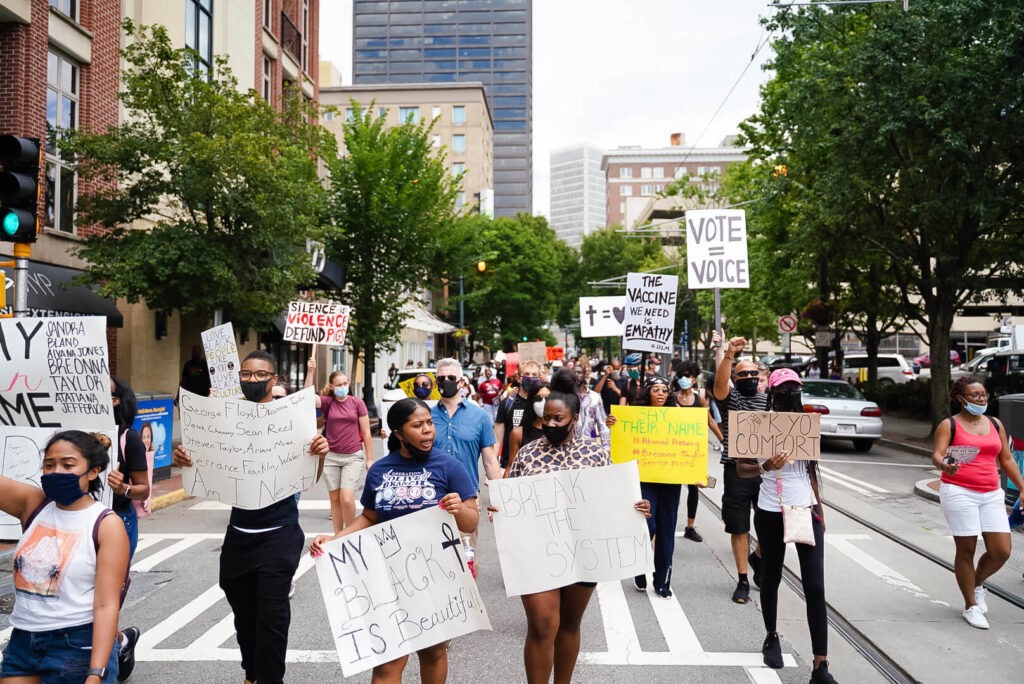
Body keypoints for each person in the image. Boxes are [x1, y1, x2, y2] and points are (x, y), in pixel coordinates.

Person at [173, 350, 329, 684]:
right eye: (246, 374)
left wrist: (319, 454)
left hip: (280, 534)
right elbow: (202, 460)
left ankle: (271, 679)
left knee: (272, 616)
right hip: (239, 535)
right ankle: (252, 674)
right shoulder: (225, 419)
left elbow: (309, 476)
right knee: (245, 615)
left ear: (274, 380)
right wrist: (186, 458)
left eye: (260, 375)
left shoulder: (292, 420)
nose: (253, 380)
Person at [309, 397, 478, 684]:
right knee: (387, 663)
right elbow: (370, 518)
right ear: (398, 433)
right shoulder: (379, 470)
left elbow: (471, 522)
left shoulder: (449, 466)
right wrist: (335, 540)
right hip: (385, 576)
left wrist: (459, 508)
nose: (427, 430)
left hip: (434, 574)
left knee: (433, 651)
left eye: (429, 423)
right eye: (417, 425)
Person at [496, 372, 650, 684]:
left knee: (569, 623)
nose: (551, 424)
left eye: (559, 418)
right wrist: (500, 507)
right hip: (538, 551)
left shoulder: (596, 453)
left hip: (584, 551)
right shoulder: (527, 453)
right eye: (547, 418)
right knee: (541, 624)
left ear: (574, 418)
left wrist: (636, 508)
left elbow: (612, 500)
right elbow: (512, 499)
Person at [0, 430, 129, 684]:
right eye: (49, 465)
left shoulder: (105, 524)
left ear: (93, 471)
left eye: (68, 465)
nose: (56, 471)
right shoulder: (33, 505)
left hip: (76, 645)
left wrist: (96, 672)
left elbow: (106, 605)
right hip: (23, 642)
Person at [738, 368, 836, 683]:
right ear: (774, 394)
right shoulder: (757, 424)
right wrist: (765, 465)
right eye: (784, 390)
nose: (790, 395)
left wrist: (820, 510)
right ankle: (771, 635)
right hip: (770, 509)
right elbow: (742, 470)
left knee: (816, 587)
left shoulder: (807, 425)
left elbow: (811, 473)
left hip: (804, 509)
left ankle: (821, 664)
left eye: (794, 390)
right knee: (771, 578)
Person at [932, 376, 1024, 630]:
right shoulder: (949, 425)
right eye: (975, 395)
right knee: (966, 549)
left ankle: (977, 582)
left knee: (1001, 550)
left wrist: (1023, 487)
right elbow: (938, 454)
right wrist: (944, 464)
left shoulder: (995, 423)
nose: (982, 399)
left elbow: (1006, 458)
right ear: (961, 399)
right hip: (959, 491)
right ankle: (971, 606)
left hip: (991, 492)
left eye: (984, 394)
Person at [713, 334, 769, 605]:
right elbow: (719, 385)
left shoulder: (769, 402)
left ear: (759, 377)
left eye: (753, 374)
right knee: (739, 527)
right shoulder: (731, 399)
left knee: (771, 527)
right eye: (742, 374)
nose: (748, 377)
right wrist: (728, 354)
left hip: (765, 473)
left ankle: (757, 558)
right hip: (735, 472)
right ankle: (743, 579)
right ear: (736, 378)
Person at [106, 376, 151, 681]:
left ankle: (103, 665)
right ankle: (119, 641)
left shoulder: (128, 438)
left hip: (117, 522)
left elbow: (143, 489)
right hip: (76, 524)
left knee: (105, 596)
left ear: (117, 400)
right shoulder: (73, 436)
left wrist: (123, 489)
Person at [622, 375, 683, 598]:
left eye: (664, 390)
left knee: (667, 529)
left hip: (670, 479)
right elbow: (623, 440)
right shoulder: (634, 416)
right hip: (644, 478)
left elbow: (689, 444)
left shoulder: (678, 418)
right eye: (656, 389)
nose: (660, 393)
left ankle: (662, 581)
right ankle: (639, 566)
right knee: (647, 526)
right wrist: (614, 424)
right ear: (647, 391)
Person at [431, 358, 500, 550]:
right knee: (433, 556)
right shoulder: (426, 416)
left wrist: (499, 497)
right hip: (431, 494)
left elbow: (490, 461)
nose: (446, 381)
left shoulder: (479, 416)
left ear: (462, 382)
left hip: (467, 496)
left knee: (465, 558)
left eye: (451, 377)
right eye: (441, 378)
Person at [305, 359, 374, 533]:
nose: (343, 386)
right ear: (332, 387)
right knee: (335, 500)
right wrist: (310, 372)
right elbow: (306, 398)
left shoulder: (357, 403)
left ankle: (350, 534)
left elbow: (366, 432)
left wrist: (370, 458)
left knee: (347, 499)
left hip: (353, 457)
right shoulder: (328, 403)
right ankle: (337, 536)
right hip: (331, 458)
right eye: (339, 384)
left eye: (345, 383)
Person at [674, 367, 725, 544]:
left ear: (694, 380)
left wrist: (722, 440)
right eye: (682, 376)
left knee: (694, 487)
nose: (684, 380)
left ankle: (690, 526)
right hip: (672, 449)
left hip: (693, 450)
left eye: (687, 377)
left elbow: (709, 420)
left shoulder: (699, 399)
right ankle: (668, 522)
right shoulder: (672, 399)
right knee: (672, 487)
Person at [494, 360, 543, 468]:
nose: (530, 377)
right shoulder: (507, 404)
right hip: (509, 465)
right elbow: (497, 440)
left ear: (539, 378)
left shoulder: (543, 404)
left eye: (534, 375)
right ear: (518, 378)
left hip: (538, 465)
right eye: (526, 374)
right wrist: (491, 470)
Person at [506, 380, 552, 473]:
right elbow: (511, 467)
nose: (543, 402)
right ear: (531, 401)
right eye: (538, 398)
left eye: (547, 398)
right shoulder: (518, 433)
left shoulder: (561, 432)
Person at [571, 360, 610, 450]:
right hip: (571, 448)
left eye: (579, 372)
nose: (576, 375)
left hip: (591, 446)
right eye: (574, 373)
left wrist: (606, 447)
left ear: (585, 374)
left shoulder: (595, 397)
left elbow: (602, 423)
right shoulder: (566, 396)